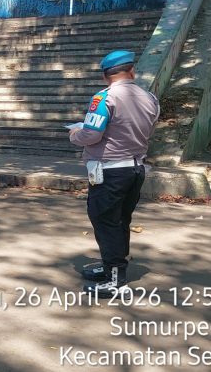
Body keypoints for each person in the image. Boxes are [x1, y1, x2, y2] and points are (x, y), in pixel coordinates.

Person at [69, 50, 160, 299]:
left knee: (106, 222)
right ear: (132, 72)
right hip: (136, 168)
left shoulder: (104, 98)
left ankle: (115, 280)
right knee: (120, 220)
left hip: (110, 171)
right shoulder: (150, 98)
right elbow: (149, 130)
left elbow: (91, 134)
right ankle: (111, 266)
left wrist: (75, 134)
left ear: (105, 76)